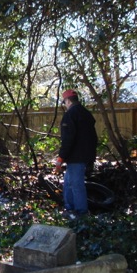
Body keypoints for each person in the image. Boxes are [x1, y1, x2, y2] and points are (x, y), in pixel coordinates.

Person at [54, 89, 98, 219]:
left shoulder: (70, 115)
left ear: (67, 101)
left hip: (75, 157)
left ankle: (81, 213)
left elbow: (68, 139)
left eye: (65, 102)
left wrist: (61, 158)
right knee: (68, 183)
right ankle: (70, 209)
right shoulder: (86, 114)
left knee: (76, 184)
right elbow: (94, 138)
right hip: (85, 156)